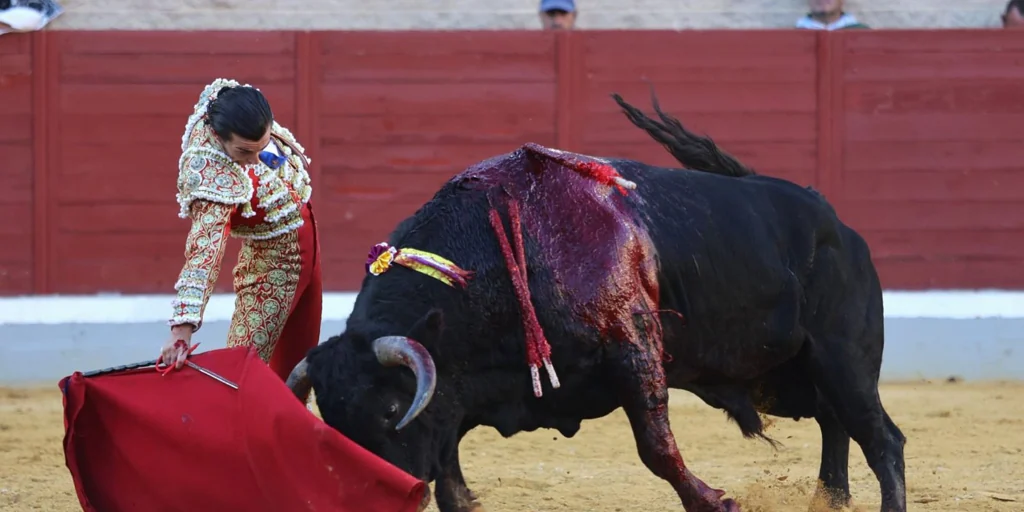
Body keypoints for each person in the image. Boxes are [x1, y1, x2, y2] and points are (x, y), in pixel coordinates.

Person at [159, 78, 322, 396]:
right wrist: (182, 328)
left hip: (309, 254)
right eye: (245, 152)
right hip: (273, 270)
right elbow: (204, 251)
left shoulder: (231, 108)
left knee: (297, 372)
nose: (257, 158)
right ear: (219, 138)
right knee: (242, 374)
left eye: (262, 146)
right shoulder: (211, 176)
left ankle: (282, 442)